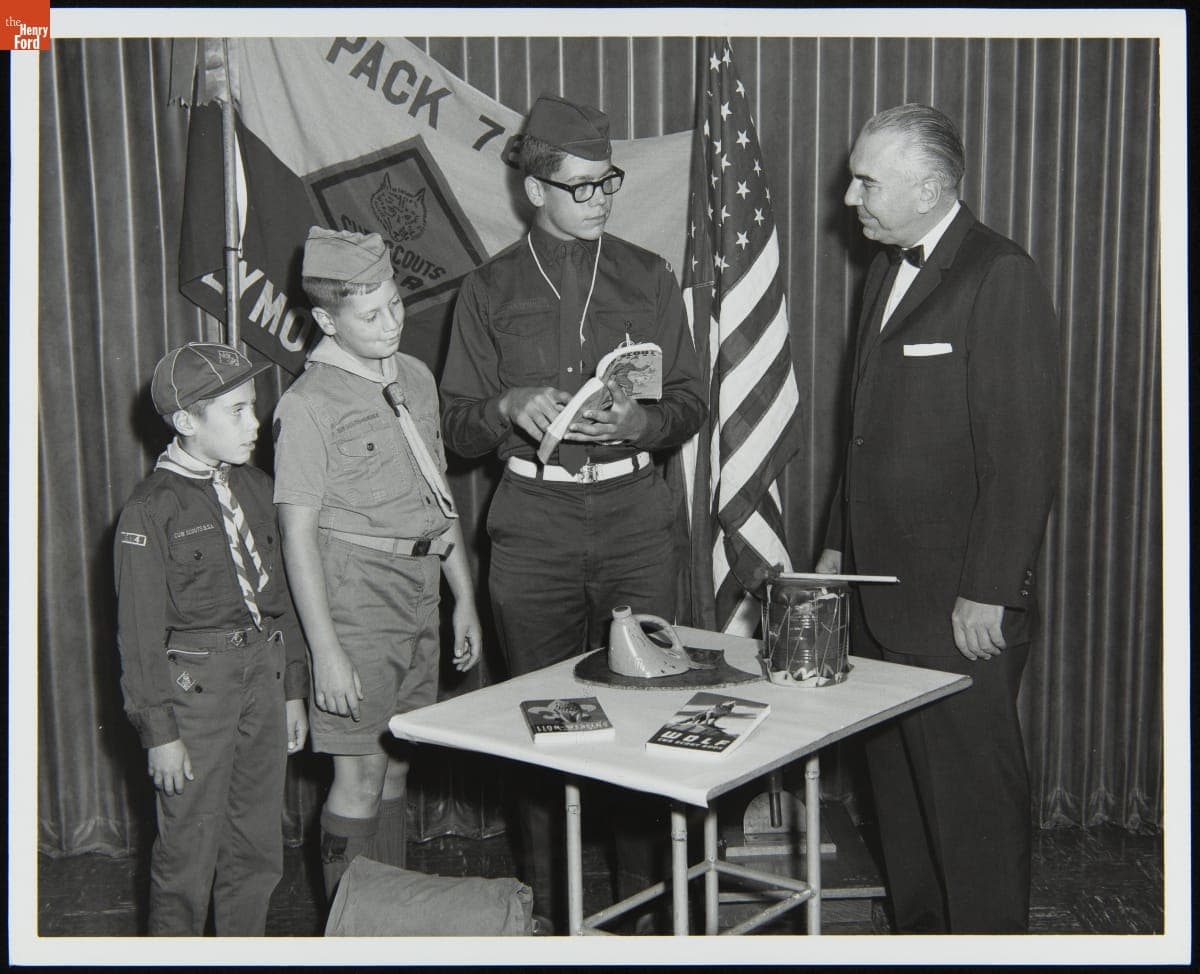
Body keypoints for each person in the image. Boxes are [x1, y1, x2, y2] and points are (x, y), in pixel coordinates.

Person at [439, 93, 706, 929]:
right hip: (535, 525)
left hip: (636, 521)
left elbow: (692, 399)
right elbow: (454, 425)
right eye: (582, 187)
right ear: (535, 190)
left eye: (607, 182)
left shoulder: (648, 275)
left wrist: (641, 424)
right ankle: (555, 914)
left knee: (644, 711)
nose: (601, 200)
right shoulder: (488, 289)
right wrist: (505, 406)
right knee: (545, 722)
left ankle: (643, 911)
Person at [816, 104, 1062, 933]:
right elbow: (862, 433)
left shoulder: (1001, 275)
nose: (849, 198)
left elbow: (1023, 454)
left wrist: (989, 588)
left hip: (960, 607)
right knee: (903, 804)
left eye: (866, 182)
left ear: (928, 190)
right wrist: (835, 549)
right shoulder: (884, 269)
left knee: (971, 813)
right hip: (878, 596)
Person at [273, 228, 481, 904]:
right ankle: (351, 928)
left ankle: (390, 917)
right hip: (354, 597)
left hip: (420, 588)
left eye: (395, 304)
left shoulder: (413, 377)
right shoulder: (308, 404)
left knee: (395, 769)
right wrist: (327, 654)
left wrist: (463, 599)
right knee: (359, 777)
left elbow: (438, 496)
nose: (392, 323)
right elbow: (297, 537)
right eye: (370, 315)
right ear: (327, 321)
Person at [114, 342, 310, 935]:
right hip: (194, 694)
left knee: (257, 845)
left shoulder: (256, 487)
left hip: (264, 676)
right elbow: (138, 637)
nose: (255, 423)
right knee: (186, 854)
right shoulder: (151, 510)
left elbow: (281, 599)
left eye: (253, 406)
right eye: (237, 412)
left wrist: (292, 690)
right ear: (186, 421)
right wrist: (160, 735)